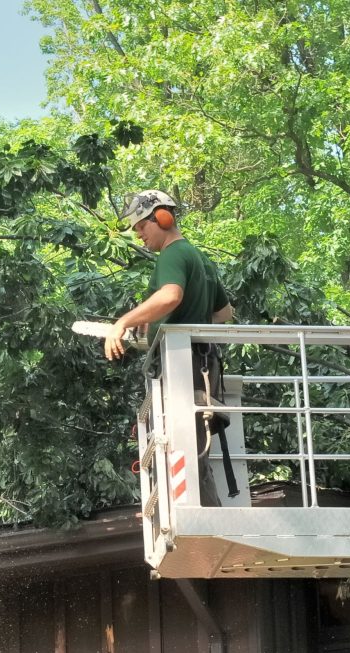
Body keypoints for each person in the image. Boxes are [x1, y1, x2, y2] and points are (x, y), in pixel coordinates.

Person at [104, 189, 234, 505]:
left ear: (161, 218)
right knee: (194, 449)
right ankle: (206, 514)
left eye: (141, 227)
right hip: (201, 363)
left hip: (183, 365)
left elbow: (170, 295)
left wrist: (123, 322)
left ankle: (203, 519)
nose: (140, 236)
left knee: (184, 450)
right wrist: (168, 321)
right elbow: (224, 313)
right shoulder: (200, 258)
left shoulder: (173, 254)